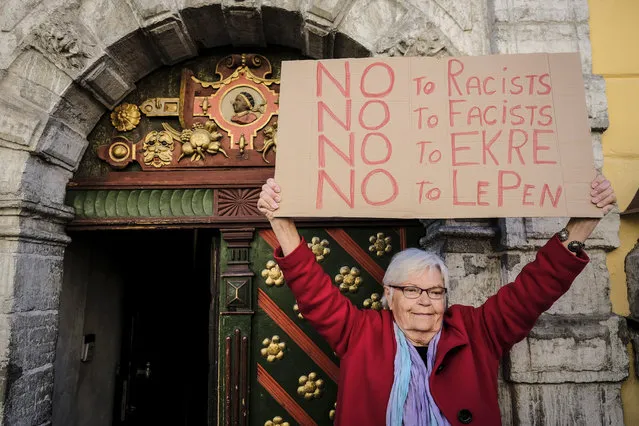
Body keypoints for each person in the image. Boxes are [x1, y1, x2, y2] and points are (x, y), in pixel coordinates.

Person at [256, 175, 616, 426]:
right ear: (389, 296)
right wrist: (282, 224)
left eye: (435, 291)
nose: (425, 301)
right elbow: (314, 293)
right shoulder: (359, 333)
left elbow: (532, 291)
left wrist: (581, 226)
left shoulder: (478, 331)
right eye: (411, 290)